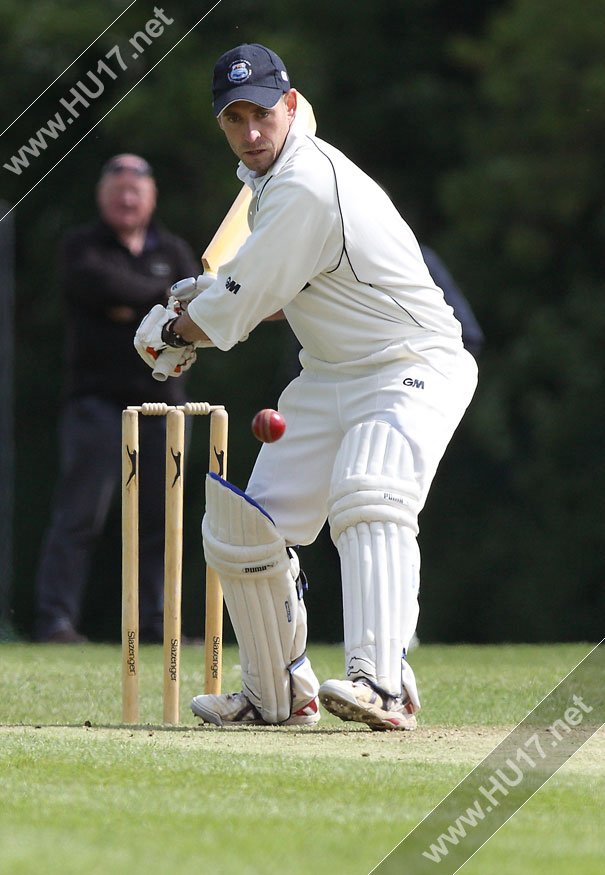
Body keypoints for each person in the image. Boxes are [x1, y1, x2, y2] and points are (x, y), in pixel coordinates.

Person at [134, 44, 478, 730]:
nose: (250, 131)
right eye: (234, 119)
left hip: (410, 361)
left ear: (289, 107)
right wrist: (194, 301)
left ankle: (382, 681)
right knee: (239, 529)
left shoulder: (306, 184)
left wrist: (171, 333)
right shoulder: (272, 188)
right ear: (222, 124)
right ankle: (276, 695)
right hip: (329, 373)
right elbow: (263, 285)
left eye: (261, 113)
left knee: (368, 488)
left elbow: (234, 311)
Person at [34, 154, 199, 644]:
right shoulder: (81, 246)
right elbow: (102, 285)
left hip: (165, 405)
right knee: (80, 516)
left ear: (151, 198)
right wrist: (163, 302)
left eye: (136, 192)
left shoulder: (173, 249)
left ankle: (156, 625)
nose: (127, 200)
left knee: (162, 521)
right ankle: (55, 622)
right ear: (103, 196)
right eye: (118, 191)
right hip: (97, 405)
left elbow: (199, 309)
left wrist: (134, 306)